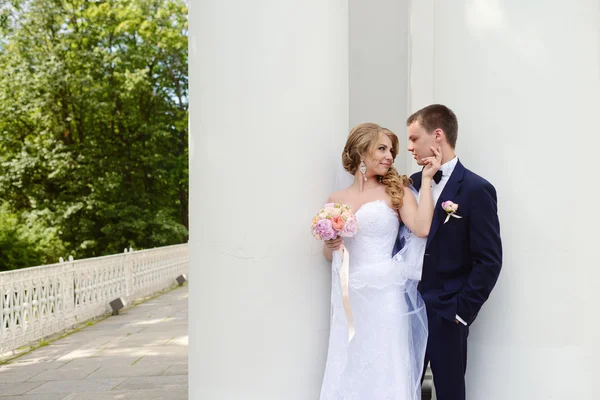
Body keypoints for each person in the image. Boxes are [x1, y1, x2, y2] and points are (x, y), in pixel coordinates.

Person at [319, 122, 441, 400]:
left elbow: (422, 228)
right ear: (362, 152)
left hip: (385, 293)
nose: (389, 156)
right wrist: (331, 244)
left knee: (387, 360)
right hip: (350, 293)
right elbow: (329, 255)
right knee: (350, 359)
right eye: (382, 149)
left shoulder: (395, 190)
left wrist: (425, 181)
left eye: (392, 151)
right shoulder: (336, 199)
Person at [406, 104, 502, 400]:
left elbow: (489, 260)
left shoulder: (476, 189)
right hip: (406, 307)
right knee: (403, 388)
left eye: (413, 139)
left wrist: (460, 311)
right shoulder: (410, 184)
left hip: (448, 311)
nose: (409, 147)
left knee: (449, 393)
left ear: (438, 136)